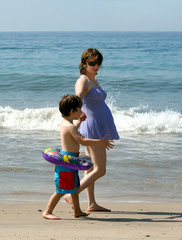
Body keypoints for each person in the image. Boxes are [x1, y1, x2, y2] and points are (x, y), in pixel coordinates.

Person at [64, 48, 119, 212]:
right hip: (93, 127)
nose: (96, 66)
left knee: (90, 167)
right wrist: (75, 117)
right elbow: (77, 99)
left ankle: (91, 203)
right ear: (84, 63)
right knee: (100, 169)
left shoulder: (92, 80)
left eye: (98, 63)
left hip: (99, 125)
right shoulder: (83, 81)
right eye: (92, 63)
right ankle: (71, 194)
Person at [42, 94, 114, 220]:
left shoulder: (67, 123)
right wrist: (100, 142)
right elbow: (83, 141)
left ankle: (78, 211)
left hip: (71, 161)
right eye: (79, 109)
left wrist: (80, 121)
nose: (81, 111)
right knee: (61, 190)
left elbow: (73, 132)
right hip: (66, 164)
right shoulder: (68, 126)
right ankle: (47, 211)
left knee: (75, 188)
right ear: (72, 111)